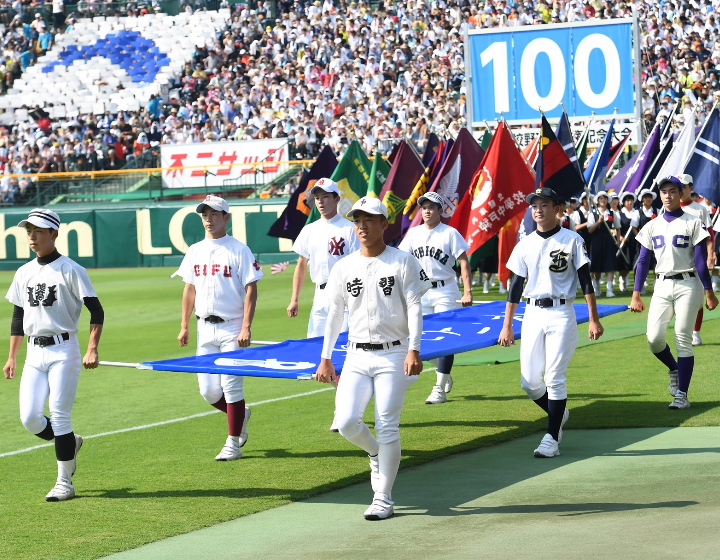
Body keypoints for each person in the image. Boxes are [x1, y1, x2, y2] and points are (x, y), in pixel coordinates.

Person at [315, 196, 430, 520]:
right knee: (348, 421)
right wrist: (326, 358)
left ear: (384, 224)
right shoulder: (344, 266)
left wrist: (414, 349)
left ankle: (383, 497)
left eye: (369, 220)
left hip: (394, 353)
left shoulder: (402, 261)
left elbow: (416, 306)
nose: (362, 226)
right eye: (357, 220)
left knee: (387, 424)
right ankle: (375, 453)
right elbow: (334, 313)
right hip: (355, 354)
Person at [3, 209, 104, 501]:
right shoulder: (23, 272)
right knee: (30, 418)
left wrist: (92, 347)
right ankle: (70, 442)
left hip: (64, 349)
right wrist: (12, 356)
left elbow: (95, 309)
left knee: (59, 415)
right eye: (29, 231)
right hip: (34, 352)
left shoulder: (72, 269)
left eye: (38, 231)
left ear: (54, 234)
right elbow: (18, 316)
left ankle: (64, 483)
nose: (32, 237)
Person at [498, 187, 603, 458]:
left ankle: (552, 438)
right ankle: (559, 413)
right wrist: (507, 324)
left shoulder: (572, 240)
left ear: (557, 209)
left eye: (544, 204)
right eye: (535, 205)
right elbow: (515, 287)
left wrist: (593, 319)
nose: (538, 210)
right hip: (532, 313)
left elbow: (586, 281)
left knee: (554, 377)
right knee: (529, 382)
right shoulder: (525, 244)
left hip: (561, 312)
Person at [175, 195, 262, 461]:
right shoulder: (195, 250)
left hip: (232, 327)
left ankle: (232, 442)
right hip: (204, 327)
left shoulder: (238, 249)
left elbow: (251, 288)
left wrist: (246, 326)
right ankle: (241, 414)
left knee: (232, 386)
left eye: (215, 214)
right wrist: (184, 325)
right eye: (205, 214)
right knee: (209, 391)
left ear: (226, 217)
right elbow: (189, 289)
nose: (209, 219)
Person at [630, 177, 718, 409]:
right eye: (664, 192)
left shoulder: (693, 221)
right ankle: (674, 368)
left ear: (681, 194)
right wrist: (636, 294)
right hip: (661, 284)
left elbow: (700, 260)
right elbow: (643, 261)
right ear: (660, 195)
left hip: (688, 283)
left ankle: (682, 395)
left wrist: (709, 291)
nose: (667, 196)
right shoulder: (651, 225)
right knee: (654, 339)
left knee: (682, 336)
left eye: (672, 191)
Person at [288, 177, 359, 430]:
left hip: (345, 295)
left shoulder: (349, 229)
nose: (320, 201)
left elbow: (358, 264)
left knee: (345, 354)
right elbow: (300, 265)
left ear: (337, 199)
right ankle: (346, 406)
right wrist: (295, 298)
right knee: (322, 354)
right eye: (317, 197)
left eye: (325, 196)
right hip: (320, 296)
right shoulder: (309, 230)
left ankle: (345, 410)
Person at [398, 191, 472, 404]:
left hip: (445, 290)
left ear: (441, 211)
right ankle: (444, 371)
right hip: (420, 291)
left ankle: (438, 388)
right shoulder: (413, 233)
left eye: (432, 207)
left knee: (446, 337)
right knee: (421, 340)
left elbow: (463, 262)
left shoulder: (450, 233)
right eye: (424, 207)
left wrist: (467, 291)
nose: (427, 211)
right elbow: (402, 260)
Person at [678, 174, 715, 346]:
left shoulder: (700, 209)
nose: (681, 190)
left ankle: (696, 332)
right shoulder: (670, 207)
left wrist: (711, 254)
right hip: (677, 259)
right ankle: (683, 330)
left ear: (691, 188)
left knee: (698, 296)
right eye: (679, 186)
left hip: (697, 258)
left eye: (684, 186)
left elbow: (710, 235)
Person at [586, 191, 621, 297]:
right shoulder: (592, 214)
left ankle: (609, 290)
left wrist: (618, 240)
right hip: (596, 243)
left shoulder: (612, 213)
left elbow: (618, 227)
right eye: (601, 199)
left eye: (605, 198)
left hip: (609, 242)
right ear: (597, 201)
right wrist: (598, 222)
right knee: (596, 267)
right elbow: (590, 230)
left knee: (610, 266)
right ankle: (596, 289)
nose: (603, 200)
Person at [617, 192, 640, 292]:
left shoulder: (637, 213)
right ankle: (623, 281)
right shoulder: (619, 213)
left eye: (631, 200)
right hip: (624, 242)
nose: (629, 202)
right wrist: (620, 237)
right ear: (623, 202)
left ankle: (637, 285)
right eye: (627, 200)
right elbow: (616, 227)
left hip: (636, 241)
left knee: (637, 263)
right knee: (625, 263)